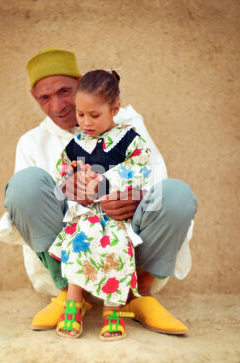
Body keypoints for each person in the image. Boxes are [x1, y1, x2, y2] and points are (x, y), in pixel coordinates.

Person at [0, 47, 197, 335]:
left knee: (177, 194)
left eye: (65, 91)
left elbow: (155, 180)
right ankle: (68, 295)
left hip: (125, 231)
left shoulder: (129, 128)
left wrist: (133, 198)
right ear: (34, 98)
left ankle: (137, 295)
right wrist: (66, 190)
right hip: (76, 234)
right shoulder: (33, 142)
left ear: (81, 83)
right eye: (45, 97)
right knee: (23, 186)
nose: (58, 106)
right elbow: (23, 210)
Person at [49, 69, 153, 340]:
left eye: (94, 115)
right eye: (80, 114)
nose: (86, 122)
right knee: (75, 250)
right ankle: (72, 306)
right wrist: (72, 179)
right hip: (85, 215)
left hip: (115, 215)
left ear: (114, 108)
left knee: (116, 254)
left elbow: (141, 167)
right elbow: (62, 170)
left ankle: (112, 311)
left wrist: (105, 181)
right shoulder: (76, 143)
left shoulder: (129, 140)